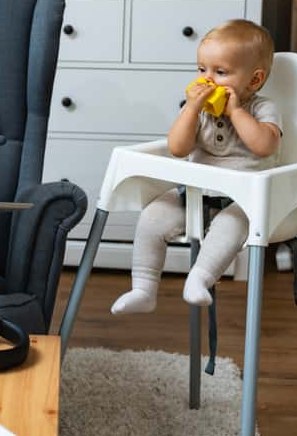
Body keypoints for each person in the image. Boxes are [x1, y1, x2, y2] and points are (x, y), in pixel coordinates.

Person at [111, 19, 282, 314]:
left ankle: (200, 278)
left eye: (221, 72)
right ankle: (143, 286)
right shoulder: (199, 111)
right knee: (153, 214)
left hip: (240, 201)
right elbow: (178, 148)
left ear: (253, 81)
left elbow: (264, 145)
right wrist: (191, 109)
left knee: (232, 225)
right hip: (193, 195)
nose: (207, 80)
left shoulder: (261, 108)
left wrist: (236, 111)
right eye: (202, 69)